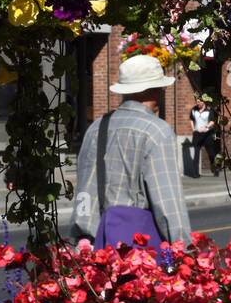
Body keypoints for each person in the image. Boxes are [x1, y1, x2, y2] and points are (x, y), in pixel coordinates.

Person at [70, 54, 191, 251]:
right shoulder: (156, 131)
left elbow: (85, 189)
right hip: (137, 252)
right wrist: (184, 250)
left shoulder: (96, 128)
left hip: (96, 246)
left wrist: (83, 241)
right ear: (154, 91)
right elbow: (168, 203)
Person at [189, 95, 218, 177]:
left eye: (199, 101)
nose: (197, 103)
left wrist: (206, 127)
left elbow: (212, 122)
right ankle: (195, 174)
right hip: (197, 134)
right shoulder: (194, 109)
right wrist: (193, 129)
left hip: (207, 134)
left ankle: (215, 169)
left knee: (211, 153)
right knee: (196, 154)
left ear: (203, 102)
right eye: (197, 101)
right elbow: (191, 119)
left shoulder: (209, 110)